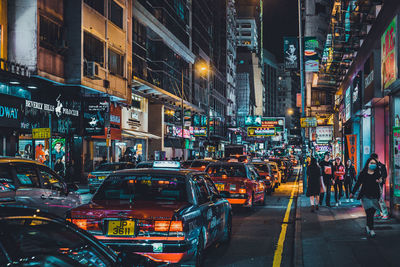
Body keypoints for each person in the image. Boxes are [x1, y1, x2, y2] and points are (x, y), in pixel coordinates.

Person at [350, 157, 382, 237]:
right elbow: (358, 183)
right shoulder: (363, 173)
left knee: (372, 212)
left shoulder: (377, 173)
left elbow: (381, 180)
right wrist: (352, 192)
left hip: (375, 195)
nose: (373, 165)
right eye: (371, 163)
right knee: (369, 212)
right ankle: (371, 230)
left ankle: (368, 226)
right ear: (367, 164)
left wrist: (380, 180)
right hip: (365, 196)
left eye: (374, 163)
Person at [371, 153, 389, 219]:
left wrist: (380, 179)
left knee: (380, 199)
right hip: (373, 185)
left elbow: (385, 175)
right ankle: (377, 213)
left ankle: (385, 214)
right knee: (374, 199)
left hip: (379, 185)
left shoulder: (382, 166)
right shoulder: (372, 166)